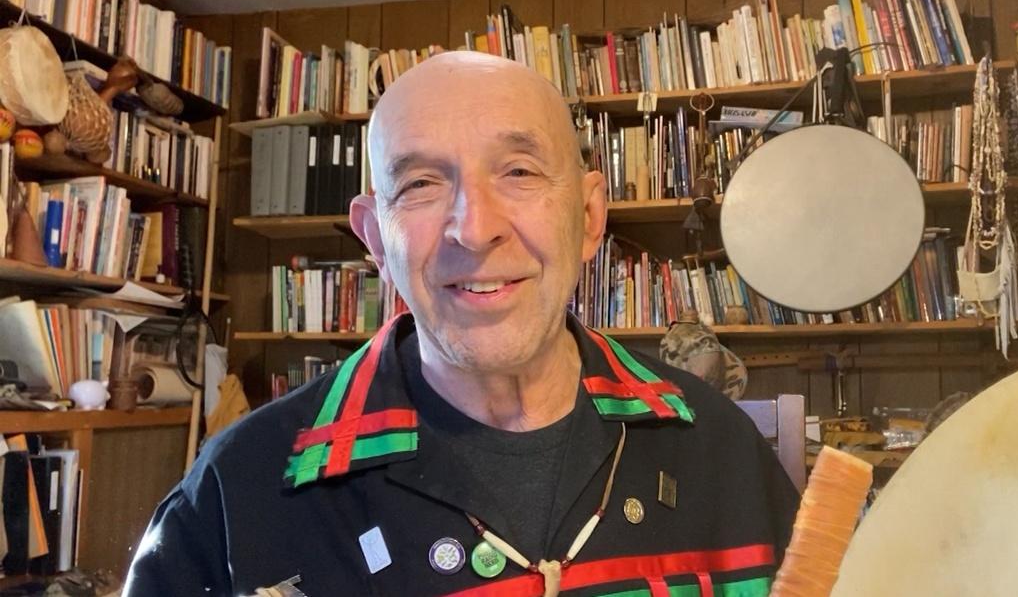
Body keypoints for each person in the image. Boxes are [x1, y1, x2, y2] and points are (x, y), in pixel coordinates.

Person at [125, 51, 798, 596]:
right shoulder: (237, 493)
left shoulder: (722, 453)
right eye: (420, 184)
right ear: (373, 237)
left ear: (589, 218)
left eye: (519, 171)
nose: (473, 230)